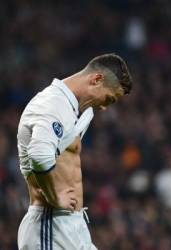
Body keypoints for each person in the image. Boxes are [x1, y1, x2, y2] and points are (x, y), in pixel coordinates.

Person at [17, 53, 133, 250]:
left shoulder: (78, 109)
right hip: (50, 226)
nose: (105, 107)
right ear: (96, 79)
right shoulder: (52, 104)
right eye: (109, 98)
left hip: (72, 225)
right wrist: (55, 197)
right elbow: (39, 154)